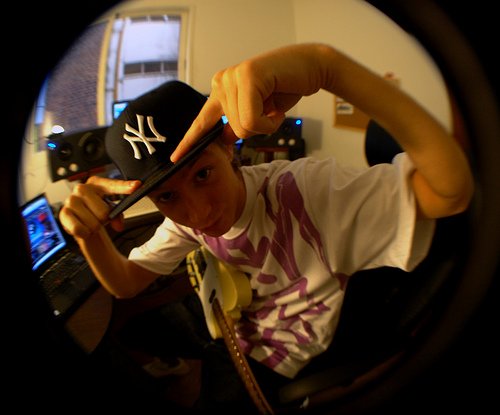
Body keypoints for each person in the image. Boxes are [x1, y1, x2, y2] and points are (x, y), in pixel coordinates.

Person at [59, 43, 474, 413]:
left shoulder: (305, 195)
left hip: (275, 350)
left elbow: (449, 194)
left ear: (228, 148)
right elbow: (125, 284)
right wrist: (87, 235)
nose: (199, 214)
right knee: (137, 330)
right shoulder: (183, 222)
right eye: (167, 196)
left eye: (202, 174)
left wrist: (328, 68)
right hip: (228, 311)